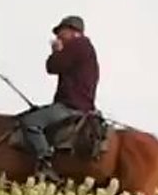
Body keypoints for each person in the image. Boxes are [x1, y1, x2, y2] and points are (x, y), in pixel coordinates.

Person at [18, 15, 99, 181]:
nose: (58, 37)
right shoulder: (86, 48)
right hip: (82, 104)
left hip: (71, 105)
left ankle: (45, 163)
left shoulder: (77, 45)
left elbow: (53, 66)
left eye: (60, 32)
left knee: (31, 122)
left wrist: (56, 51)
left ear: (71, 31)